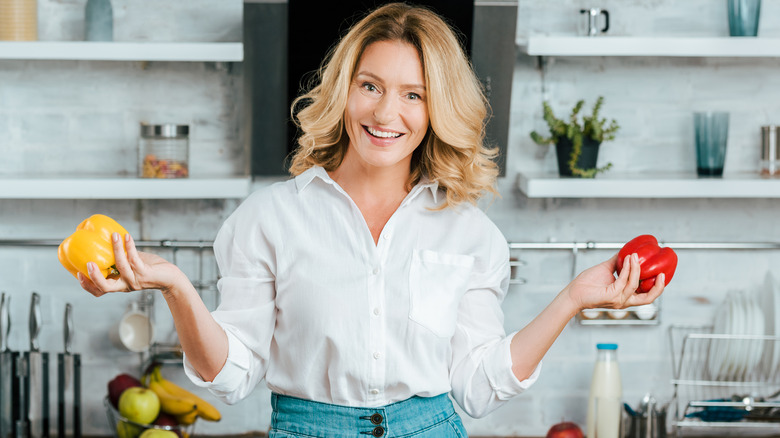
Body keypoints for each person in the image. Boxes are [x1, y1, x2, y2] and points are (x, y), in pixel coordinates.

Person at [78, 3, 665, 437]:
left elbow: (478, 387)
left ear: (439, 110)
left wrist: (569, 301)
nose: (387, 112)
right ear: (344, 93)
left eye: (414, 95)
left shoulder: (470, 233)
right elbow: (231, 376)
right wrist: (178, 288)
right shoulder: (269, 218)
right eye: (371, 86)